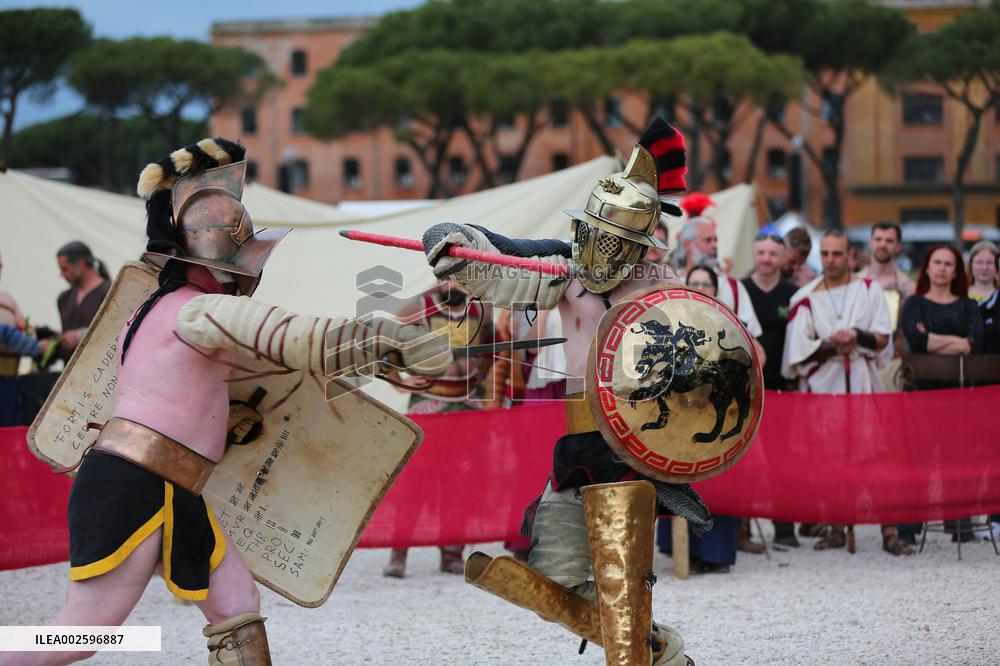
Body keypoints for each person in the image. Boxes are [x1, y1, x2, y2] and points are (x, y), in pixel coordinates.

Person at [3, 138, 451, 666]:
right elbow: (289, 334)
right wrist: (378, 336)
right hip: (135, 483)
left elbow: (280, 366)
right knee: (87, 632)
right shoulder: (194, 313)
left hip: (176, 488)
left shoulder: (160, 311)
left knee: (236, 609)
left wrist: (377, 353)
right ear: (217, 255)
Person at [421, 119, 705, 665]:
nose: (598, 245)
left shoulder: (668, 292)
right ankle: (660, 652)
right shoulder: (567, 272)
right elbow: (501, 258)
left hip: (635, 444)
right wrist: (453, 239)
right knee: (554, 575)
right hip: (578, 438)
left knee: (622, 582)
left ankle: (639, 652)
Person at [781, 230, 912, 556]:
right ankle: (837, 527)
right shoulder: (805, 297)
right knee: (831, 460)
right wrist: (831, 345)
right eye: (825, 254)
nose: (830, 260)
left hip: (862, 381)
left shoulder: (869, 290)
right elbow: (798, 353)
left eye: (837, 254)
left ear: (850, 256)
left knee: (876, 458)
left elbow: (883, 338)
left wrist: (856, 335)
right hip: (826, 385)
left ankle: (889, 531)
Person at [382, 279, 493, 578]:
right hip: (429, 404)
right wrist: (400, 381)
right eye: (447, 273)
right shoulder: (417, 307)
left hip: (466, 406)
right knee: (416, 482)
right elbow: (385, 347)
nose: (453, 280)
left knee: (462, 483)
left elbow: (490, 349)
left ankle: (452, 553)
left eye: (459, 272)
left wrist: (477, 381)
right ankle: (398, 555)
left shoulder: (480, 306)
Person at [656, 266, 742, 572]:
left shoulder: (729, 323)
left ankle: (716, 555)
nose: (702, 287)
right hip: (681, 415)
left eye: (708, 283)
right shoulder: (676, 323)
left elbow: (753, 357)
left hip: (714, 411)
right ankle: (681, 551)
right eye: (696, 283)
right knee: (678, 475)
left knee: (717, 481)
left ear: (717, 289)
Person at [742, 232, 800, 548]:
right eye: (761, 252)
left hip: (782, 388)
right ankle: (743, 529)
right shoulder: (741, 289)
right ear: (754, 254)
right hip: (748, 389)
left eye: (772, 254)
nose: (766, 259)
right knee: (745, 459)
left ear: (782, 258)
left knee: (783, 460)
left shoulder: (793, 293)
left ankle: (785, 528)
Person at [675, 193, 763, 339]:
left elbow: (751, 338)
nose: (714, 246)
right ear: (687, 244)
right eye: (707, 240)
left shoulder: (733, 286)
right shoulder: (671, 283)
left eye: (715, 240)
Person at [858, 221, 915, 390]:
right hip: (860, 362)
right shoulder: (855, 282)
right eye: (878, 239)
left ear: (898, 246)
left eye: (889, 241)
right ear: (870, 242)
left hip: (893, 365)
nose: (882, 245)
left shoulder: (909, 287)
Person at [42, 241, 112, 363]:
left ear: (80, 264)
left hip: (99, 371)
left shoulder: (110, 292)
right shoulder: (64, 298)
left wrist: (81, 336)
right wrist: (52, 344)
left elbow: (116, 331)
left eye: (64, 269)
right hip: (70, 375)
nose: (61, 274)